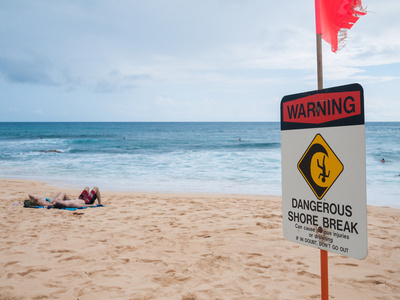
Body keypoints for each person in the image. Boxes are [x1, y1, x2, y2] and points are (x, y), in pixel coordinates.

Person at [28, 186, 102, 208]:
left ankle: (95, 198)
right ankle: (100, 202)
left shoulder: (38, 200)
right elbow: (83, 206)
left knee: (87, 187)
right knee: (95, 188)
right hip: (87, 201)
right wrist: (95, 205)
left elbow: (30, 195)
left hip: (80, 199)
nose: (36, 197)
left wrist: (33, 198)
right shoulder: (43, 203)